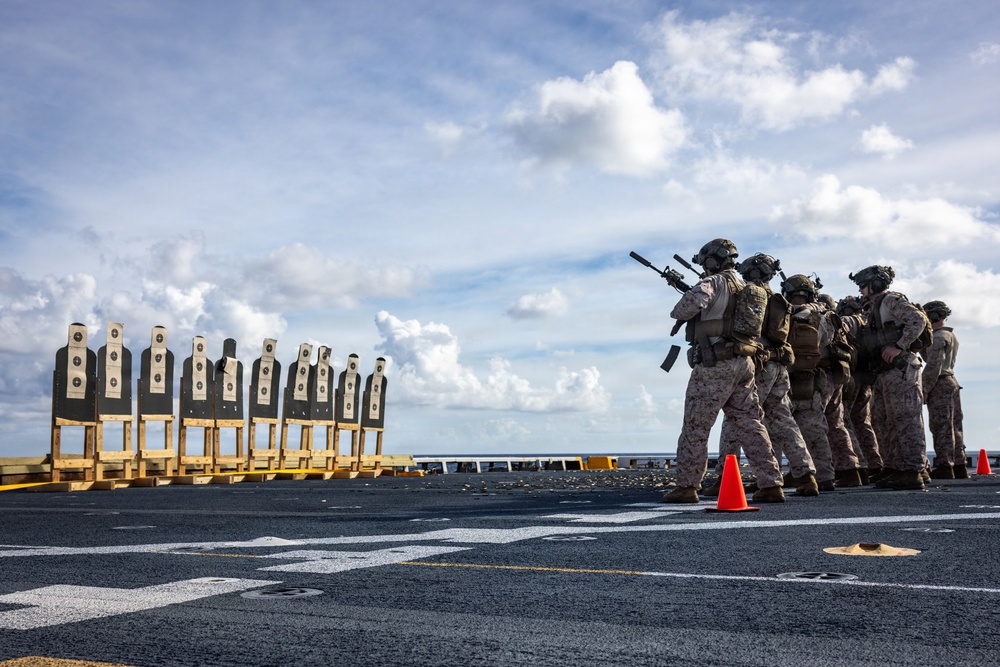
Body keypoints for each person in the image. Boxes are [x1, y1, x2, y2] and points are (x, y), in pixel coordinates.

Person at [661, 239, 784, 504]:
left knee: (696, 425)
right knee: (751, 424)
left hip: (715, 364)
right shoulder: (746, 287)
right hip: (744, 363)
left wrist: (691, 292)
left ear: (711, 260)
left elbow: (683, 309)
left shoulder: (714, 282)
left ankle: (687, 486)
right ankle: (771, 483)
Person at [710, 253, 819, 497]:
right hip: (779, 365)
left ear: (751, 272)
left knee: (735, 417)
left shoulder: (748, 294)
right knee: (783, 420)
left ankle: (726, 476)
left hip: (758, 363)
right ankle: (805, 476)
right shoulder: (779, 300)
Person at [848, 265, 930, 490]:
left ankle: (913, 471)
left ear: (875, 284)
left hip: (901, 368)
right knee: (885, 420)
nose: (861, 290)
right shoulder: (873, 307)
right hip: (885, 371)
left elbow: (918, 320)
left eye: (863, 286)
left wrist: (899, 346)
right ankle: (895, 467)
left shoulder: (890, 301)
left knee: (906, 419)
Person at [836, 296, 884, 479]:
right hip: (868, 377)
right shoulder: (868, 322)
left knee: (845, 420)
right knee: (863, 422)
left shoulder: (849, 321)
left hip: (853, 376)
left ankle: (859, 465)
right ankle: (874, 463)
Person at [921, 301, 967, 479]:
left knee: (941, 425)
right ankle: (959, 464)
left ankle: (945, 465)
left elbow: (933, 365)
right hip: (950, 381)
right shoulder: (950, 335)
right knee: (955, 425)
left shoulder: (939, 337)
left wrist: (925, 388)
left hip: (940, 382)